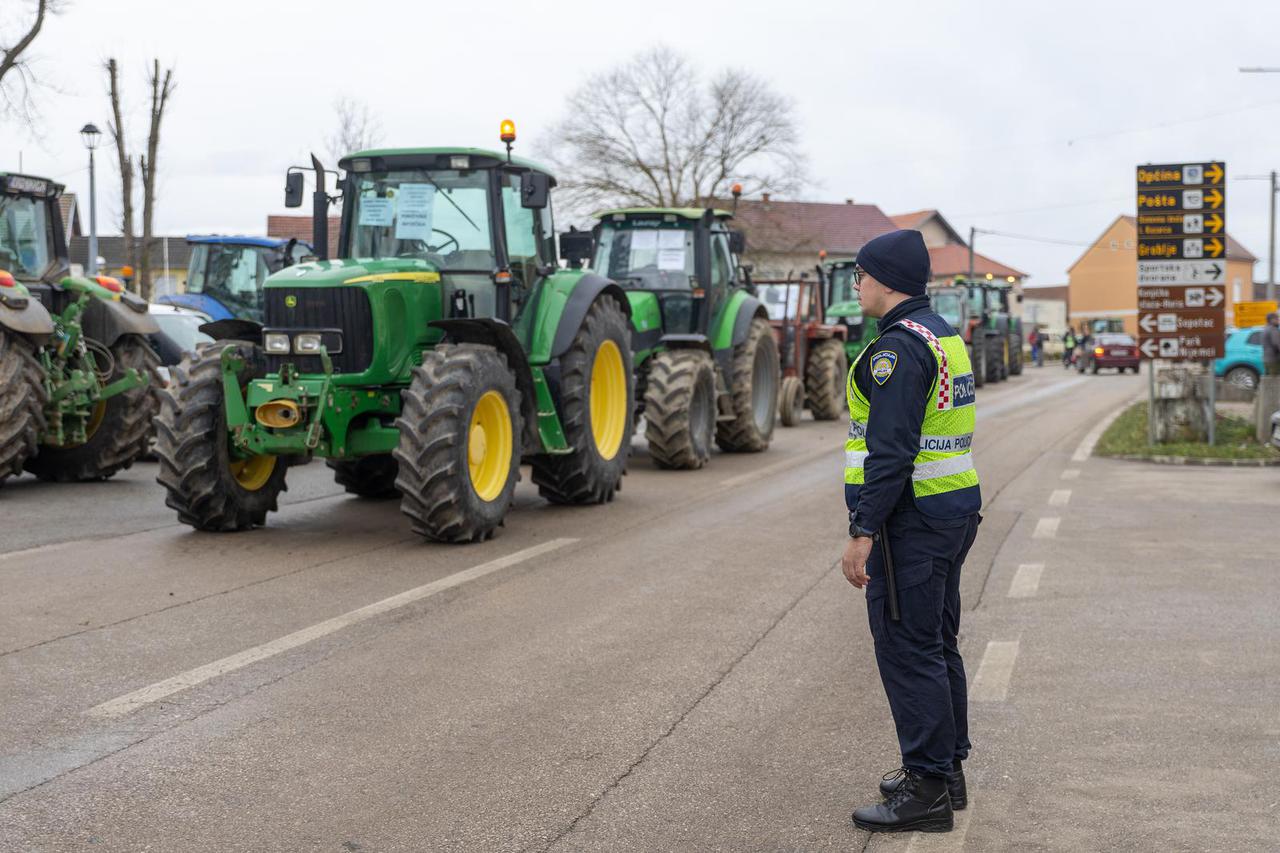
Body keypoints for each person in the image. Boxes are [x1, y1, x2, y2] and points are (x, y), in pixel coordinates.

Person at [840, 230, 982, 835]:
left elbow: (891, 453)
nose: (856, 283)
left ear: (887, 280)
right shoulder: (942, 334)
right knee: (936, 642)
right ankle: (945, 773)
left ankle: (925, 791)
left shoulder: (896, 351)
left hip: (912, 521)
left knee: (908, 649)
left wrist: (862, 530)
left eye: (862, 274)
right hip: (951, 511)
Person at [1264, 312, 1280, 376]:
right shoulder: (1273, 330)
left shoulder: (1265, 329)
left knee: (1269, 380)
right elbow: (1277, 344)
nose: (1278, 321)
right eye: (1277, 319)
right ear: (1272, 320)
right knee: (1275, 381)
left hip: (1266, 359)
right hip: (1274, 360)